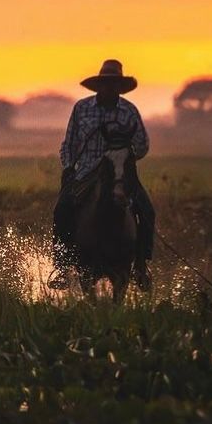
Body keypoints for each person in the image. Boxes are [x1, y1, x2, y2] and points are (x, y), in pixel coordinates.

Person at [51, 59, 155, 288]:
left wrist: (124, 158)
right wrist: (69, 167)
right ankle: (61, 265)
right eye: (105, 84)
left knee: (147, 210)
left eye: (114, 84)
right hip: (87, 172)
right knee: (62, 210)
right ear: (98, 86)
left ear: (120, 86)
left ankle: (141, 264)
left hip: (120, 174)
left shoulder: (129, 112)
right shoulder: (82, 108)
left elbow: (143, 144)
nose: (109, 88)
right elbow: (69, 143)